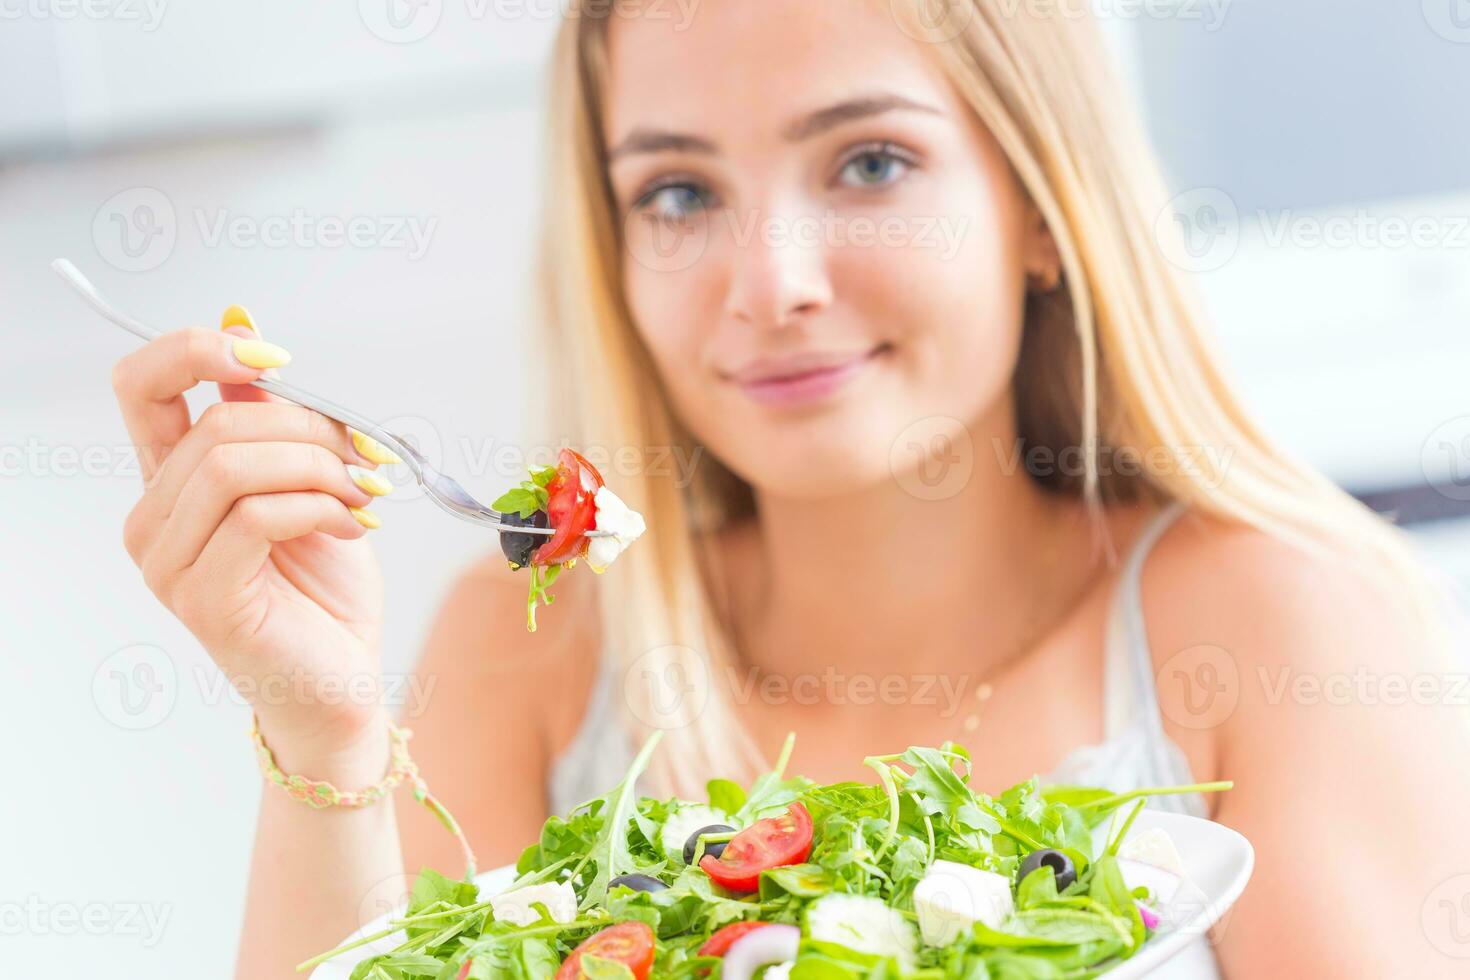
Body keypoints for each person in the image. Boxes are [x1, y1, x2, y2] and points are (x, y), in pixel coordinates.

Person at [106, 1, 1470, 977]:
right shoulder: (527, 647)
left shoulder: (1284, 621)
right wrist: (321, 737)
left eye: (869, 163)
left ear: (1042, 210)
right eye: (679, 193)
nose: (769, 284)